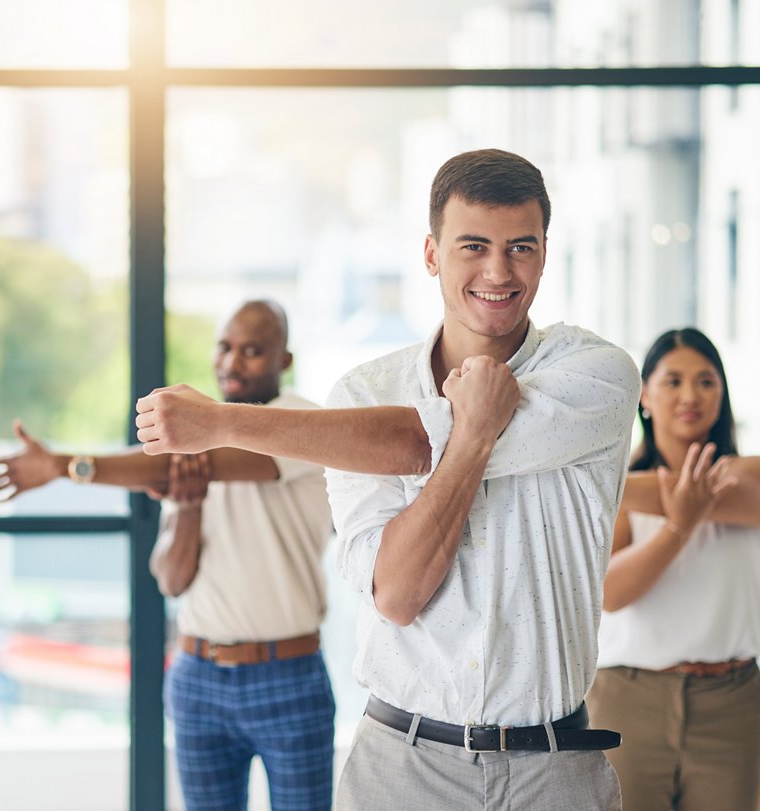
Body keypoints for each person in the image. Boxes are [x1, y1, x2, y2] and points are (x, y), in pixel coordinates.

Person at [133, 149, 639, 809]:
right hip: (402, 770)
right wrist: (476, 431)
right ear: (431, 254)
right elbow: (398, 593)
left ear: (545, 252)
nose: (498, 270)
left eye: (521, 247)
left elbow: (410, 440)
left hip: (556, 771)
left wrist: (222, 422)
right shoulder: (362, 392)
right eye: (473, 246)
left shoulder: (597, 374)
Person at [0, 299, 337, 811]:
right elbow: (171, 579)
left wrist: (62, 465)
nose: (232, 363)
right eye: (225, 347)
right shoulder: (196, 443)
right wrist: (186, 510)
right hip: (198, 675)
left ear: (285, 360)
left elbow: (188, 466)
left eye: (253, 351)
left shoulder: (301, 422)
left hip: (287, 674)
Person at [587, 327, 760, 811]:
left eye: (705, 381)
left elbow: (723, 497)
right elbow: (612, 594)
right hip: (629, 697)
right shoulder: (624, 491)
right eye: (673, 381)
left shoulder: (754, 475)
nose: (690, 395)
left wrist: (616, 485)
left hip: (731, 703)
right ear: (645, 396)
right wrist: (680, 523)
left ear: (722, 394)